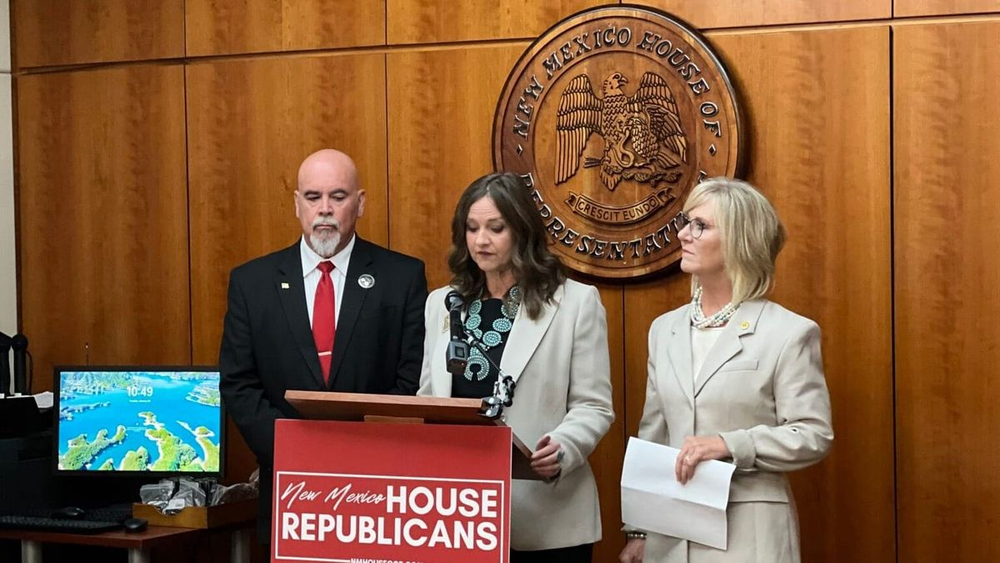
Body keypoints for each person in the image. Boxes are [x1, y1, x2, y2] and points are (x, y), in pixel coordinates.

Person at [619, 177, 834, 563]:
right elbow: (654, 433)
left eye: (700, 225)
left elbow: (813, 434)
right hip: (670, 534)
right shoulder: (664, 329)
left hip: (748, 535)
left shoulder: (789, 332)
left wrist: (729, 444)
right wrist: (639, 530)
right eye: (686, 222)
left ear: (739, 239)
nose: (683, 234)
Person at [219, 149, 428, 541]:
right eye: (313, 197)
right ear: (297, 204)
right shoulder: (253, 283)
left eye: (338, 196)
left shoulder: (402, 277)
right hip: (288, 489)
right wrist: (293, 449)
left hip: (378, 490)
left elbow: (411, 379)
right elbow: (238, 383)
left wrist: (359, 452)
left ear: (360, 203)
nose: (325, 209)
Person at [419, 172, 614, 562]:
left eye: (496, 228)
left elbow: (594, 405)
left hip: (545, 513)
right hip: (460, 514)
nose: (481, 241)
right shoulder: (443, 302)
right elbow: (429, 397)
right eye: (471, 228)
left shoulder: (575, 303)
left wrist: (564, 446)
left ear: (522, 231)